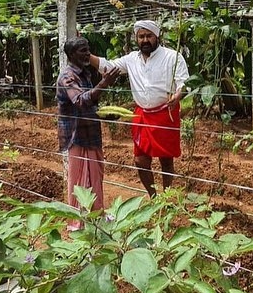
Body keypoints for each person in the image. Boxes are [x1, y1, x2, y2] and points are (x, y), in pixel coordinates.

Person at [93, 20, 189, 197]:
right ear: (136, 38)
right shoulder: (131, 60)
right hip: (142, 115)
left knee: (166, 159)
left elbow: (184, 83)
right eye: (141, 36)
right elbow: (108, 66)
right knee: (140, 160)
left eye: (149, 36)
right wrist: (86, 56)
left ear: (157, 36)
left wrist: (178, 95)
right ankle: (153, 196)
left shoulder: (172, 57)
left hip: (165, 113)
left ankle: (166, 198)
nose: (145, 40)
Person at [56, 37, 120, 211]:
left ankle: (96, 215)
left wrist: (105, 115)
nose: (87, 54)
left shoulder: (85, 73)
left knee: (96, 177)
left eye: (87, 49)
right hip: (77, 136)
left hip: (91, 134)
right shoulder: (67, 77)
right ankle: (78, 220)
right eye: (82, 51)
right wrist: (103, 84)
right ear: (70, 54)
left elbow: (90, 105)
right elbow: (80, 101)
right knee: (79, 180)